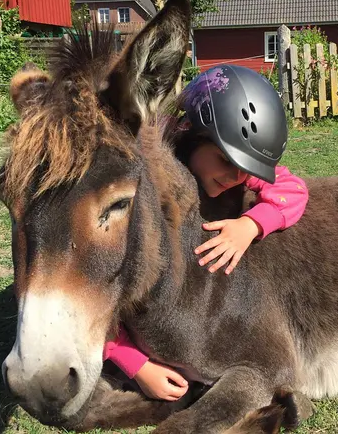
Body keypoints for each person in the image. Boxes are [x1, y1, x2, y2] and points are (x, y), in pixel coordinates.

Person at [102, 65, 309, 401]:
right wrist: (137, 364)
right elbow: (97, 288)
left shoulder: (235, 166)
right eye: (225, 160)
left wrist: (251, 225)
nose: (234, 178)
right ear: (190, 132)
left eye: (247, 171)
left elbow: (294, 189)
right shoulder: (146, 168)